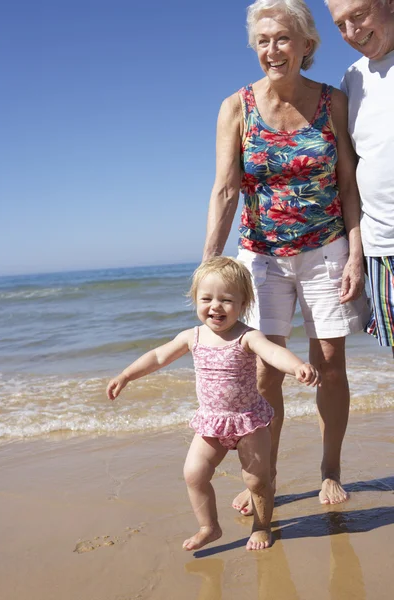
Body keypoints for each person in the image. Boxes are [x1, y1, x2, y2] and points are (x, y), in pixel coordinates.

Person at [202, 0, 371, 513]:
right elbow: (226, 189)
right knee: (262, 374)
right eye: (263, 41)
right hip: (261, 257)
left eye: (282, 39)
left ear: (305, 45)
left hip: (326, 250)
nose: (272, 50)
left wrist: (356, 255)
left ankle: (330, 470)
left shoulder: (333, 102)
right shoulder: (237, 106)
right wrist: (211, 262)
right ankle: (264, 477)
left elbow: (348, 184)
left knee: (329, 366)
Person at [106, 257, 320, 551]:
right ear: (195, 300)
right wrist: (126, 375)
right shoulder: (191, 337)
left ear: (244, 303)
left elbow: (272, 352)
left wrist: (296, 366)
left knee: (256, 480)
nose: (216, 306)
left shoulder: (247, 336)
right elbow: (158, 357)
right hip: (211, 421)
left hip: (248, 420)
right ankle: (209, 526)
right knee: (194, 473)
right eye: (207, 298)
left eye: (227, 299)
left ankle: (261, 526)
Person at [325, 0, 394, 355]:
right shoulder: (352, 80)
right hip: (382, 248)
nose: (352, 32)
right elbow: (348, 173)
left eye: (359, 15)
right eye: (340, 24)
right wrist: (355, 255)